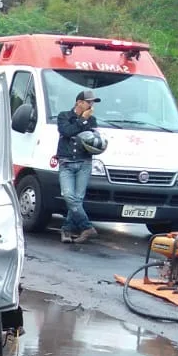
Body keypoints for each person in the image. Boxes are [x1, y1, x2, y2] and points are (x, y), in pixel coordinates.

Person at [56, 89, 101, 244]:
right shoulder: (64, 116)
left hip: (84, 162)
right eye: (89, 102)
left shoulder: (92, 120)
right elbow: (67, 131)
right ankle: (87, 227)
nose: (91, 105)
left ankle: (67, 230)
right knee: (69, 196)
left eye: (92, 103)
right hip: (66, 162)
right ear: (79, 102)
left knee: (78, 198)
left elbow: (93, 140)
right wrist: (82, 120)